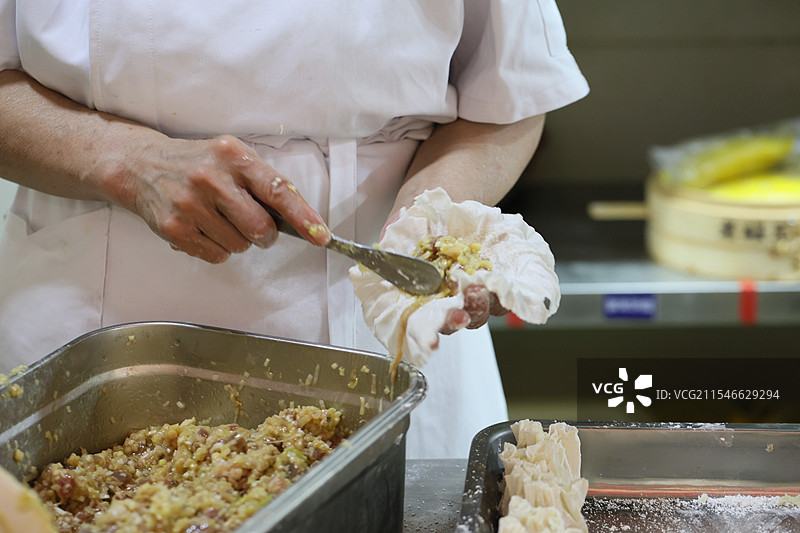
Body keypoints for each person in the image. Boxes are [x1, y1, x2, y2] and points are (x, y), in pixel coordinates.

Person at [0, 1, 588, 459]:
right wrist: (122, 160)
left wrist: (428, 225)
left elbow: (511, 95)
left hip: (389, 330)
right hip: (99, 325)